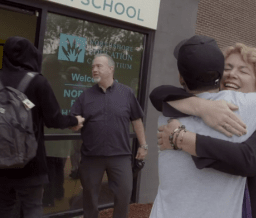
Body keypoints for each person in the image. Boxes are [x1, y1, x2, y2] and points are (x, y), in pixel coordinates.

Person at [149, 36, 256, 218]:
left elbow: (249, 160)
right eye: (227, 68)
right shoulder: (197, 106)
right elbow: (159, 94)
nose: (231, 74)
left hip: (253, 210)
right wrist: (203, 107)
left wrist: (182, 138)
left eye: (243, 71)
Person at [0, 36, 84, 218]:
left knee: (4, 208)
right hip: (30, 162)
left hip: (1, 160)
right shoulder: (38, 82)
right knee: (32, 207)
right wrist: (75, 121)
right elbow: (53, 119)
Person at [70, 53, 147, 218]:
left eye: (98, 66)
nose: (94, 70)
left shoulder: (126, 93)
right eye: (93, 67)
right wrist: (75, 123)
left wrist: (143, 145)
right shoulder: (85, 96)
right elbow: (74, 123)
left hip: (120, 156)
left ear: (111, 69)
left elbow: (137, 120)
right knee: (89, 198)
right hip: (92, 157)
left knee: (124, 195)